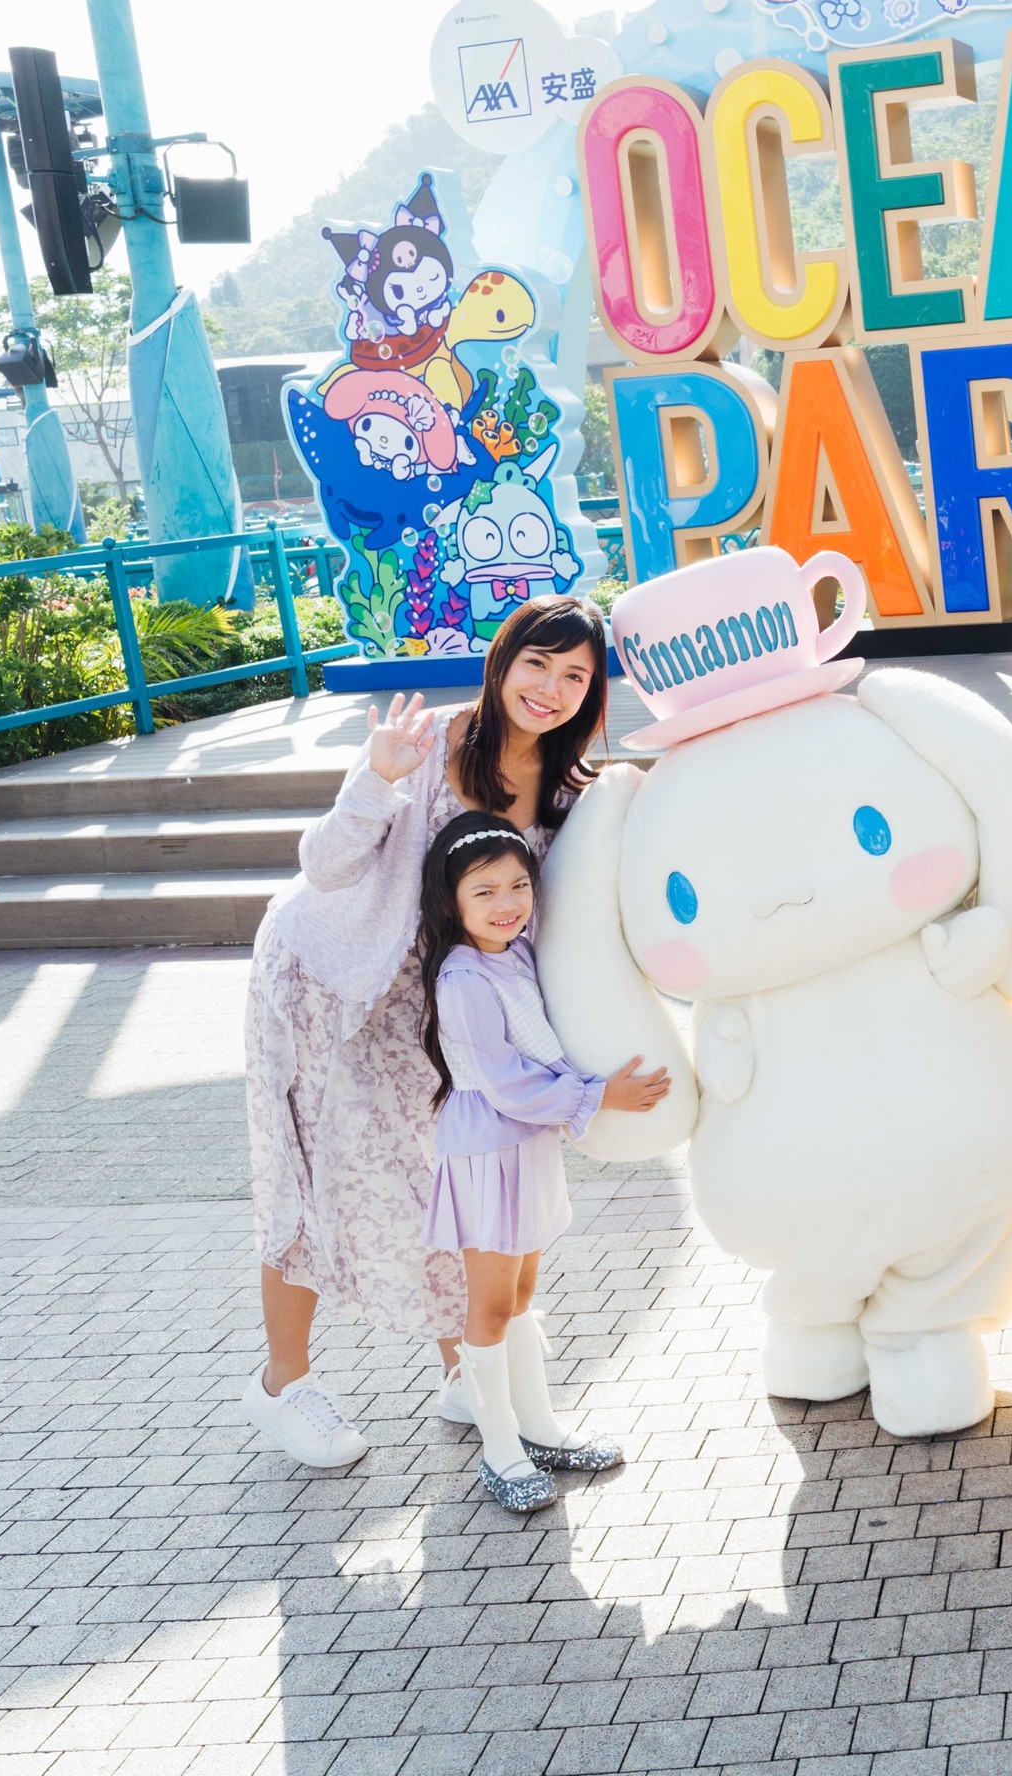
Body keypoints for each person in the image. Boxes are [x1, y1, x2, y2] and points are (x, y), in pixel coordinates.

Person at [238, 595, 610, 1470]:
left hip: (437, 1014)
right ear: (503, 660)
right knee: (311, 1186)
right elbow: (324, 866)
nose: (550, 688)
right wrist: (374, 782)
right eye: (537, 662)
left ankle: (463, 1374)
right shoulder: (428, 739)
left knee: (454, 1186)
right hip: (326, 987)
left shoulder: (565, 790)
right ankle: (283, 1384)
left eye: (574, 675)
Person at [416, 813, 668, 1511]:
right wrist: (601, 1095)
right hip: (488, 1147)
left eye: (518, 885)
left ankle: (540, 1429)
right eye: (485, 891)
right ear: (451, 901)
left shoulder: (516, 954)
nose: (507, 903)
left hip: (525, 1143)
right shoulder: (463, 978)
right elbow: (506, 1083)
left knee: (522, 1294)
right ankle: (500, 1451)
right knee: (492, 1302)